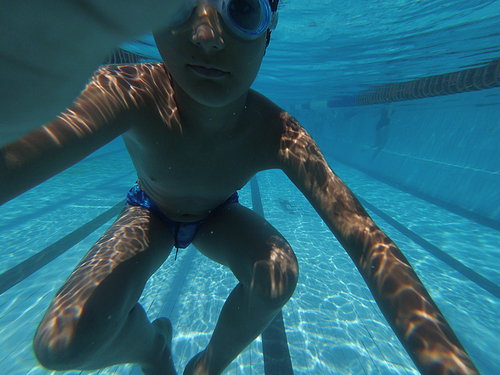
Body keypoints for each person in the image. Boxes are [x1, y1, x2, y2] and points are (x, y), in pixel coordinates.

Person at [0, 0, 479, 374]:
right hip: (150, 213)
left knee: (277, 273)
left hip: (217, 218)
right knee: (59, 347)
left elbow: (368, 244)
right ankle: (152, 348)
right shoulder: (129, 92)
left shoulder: (277, 133)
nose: (206, 36)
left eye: (242, 9)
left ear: (268, 32)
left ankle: (209, 366)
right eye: (175, 5)